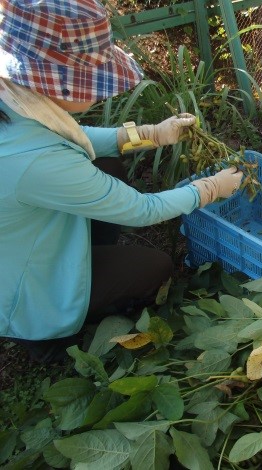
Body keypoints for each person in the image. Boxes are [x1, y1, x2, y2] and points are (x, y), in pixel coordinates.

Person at [0, 0, 244, 363]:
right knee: (155, 268)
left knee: (108, 165)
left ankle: (91, 255)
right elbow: (141, 210)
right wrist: (207, 190)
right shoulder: (36, 162)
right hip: (29, 290)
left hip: (30, 240)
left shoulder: (16, 101)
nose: (101, 90)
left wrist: (150, 134)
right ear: (61, 84)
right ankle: (48, 342)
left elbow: (70, 137)